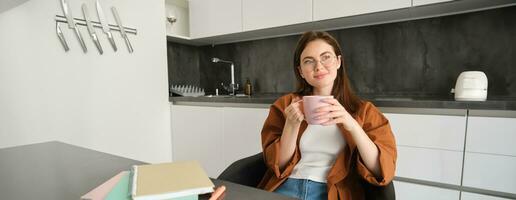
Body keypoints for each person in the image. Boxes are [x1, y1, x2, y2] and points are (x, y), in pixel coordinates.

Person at [257, 31, 397, 200]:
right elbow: (278, 165)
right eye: (309, 61)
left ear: (338, 61)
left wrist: (351, 124)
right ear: (301, 71)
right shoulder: (286, 105)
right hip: (287, 185)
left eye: (326, 57)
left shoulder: (365, 111)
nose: (318, 66)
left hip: (331, 192)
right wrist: (291, 125)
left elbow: (381, 169)